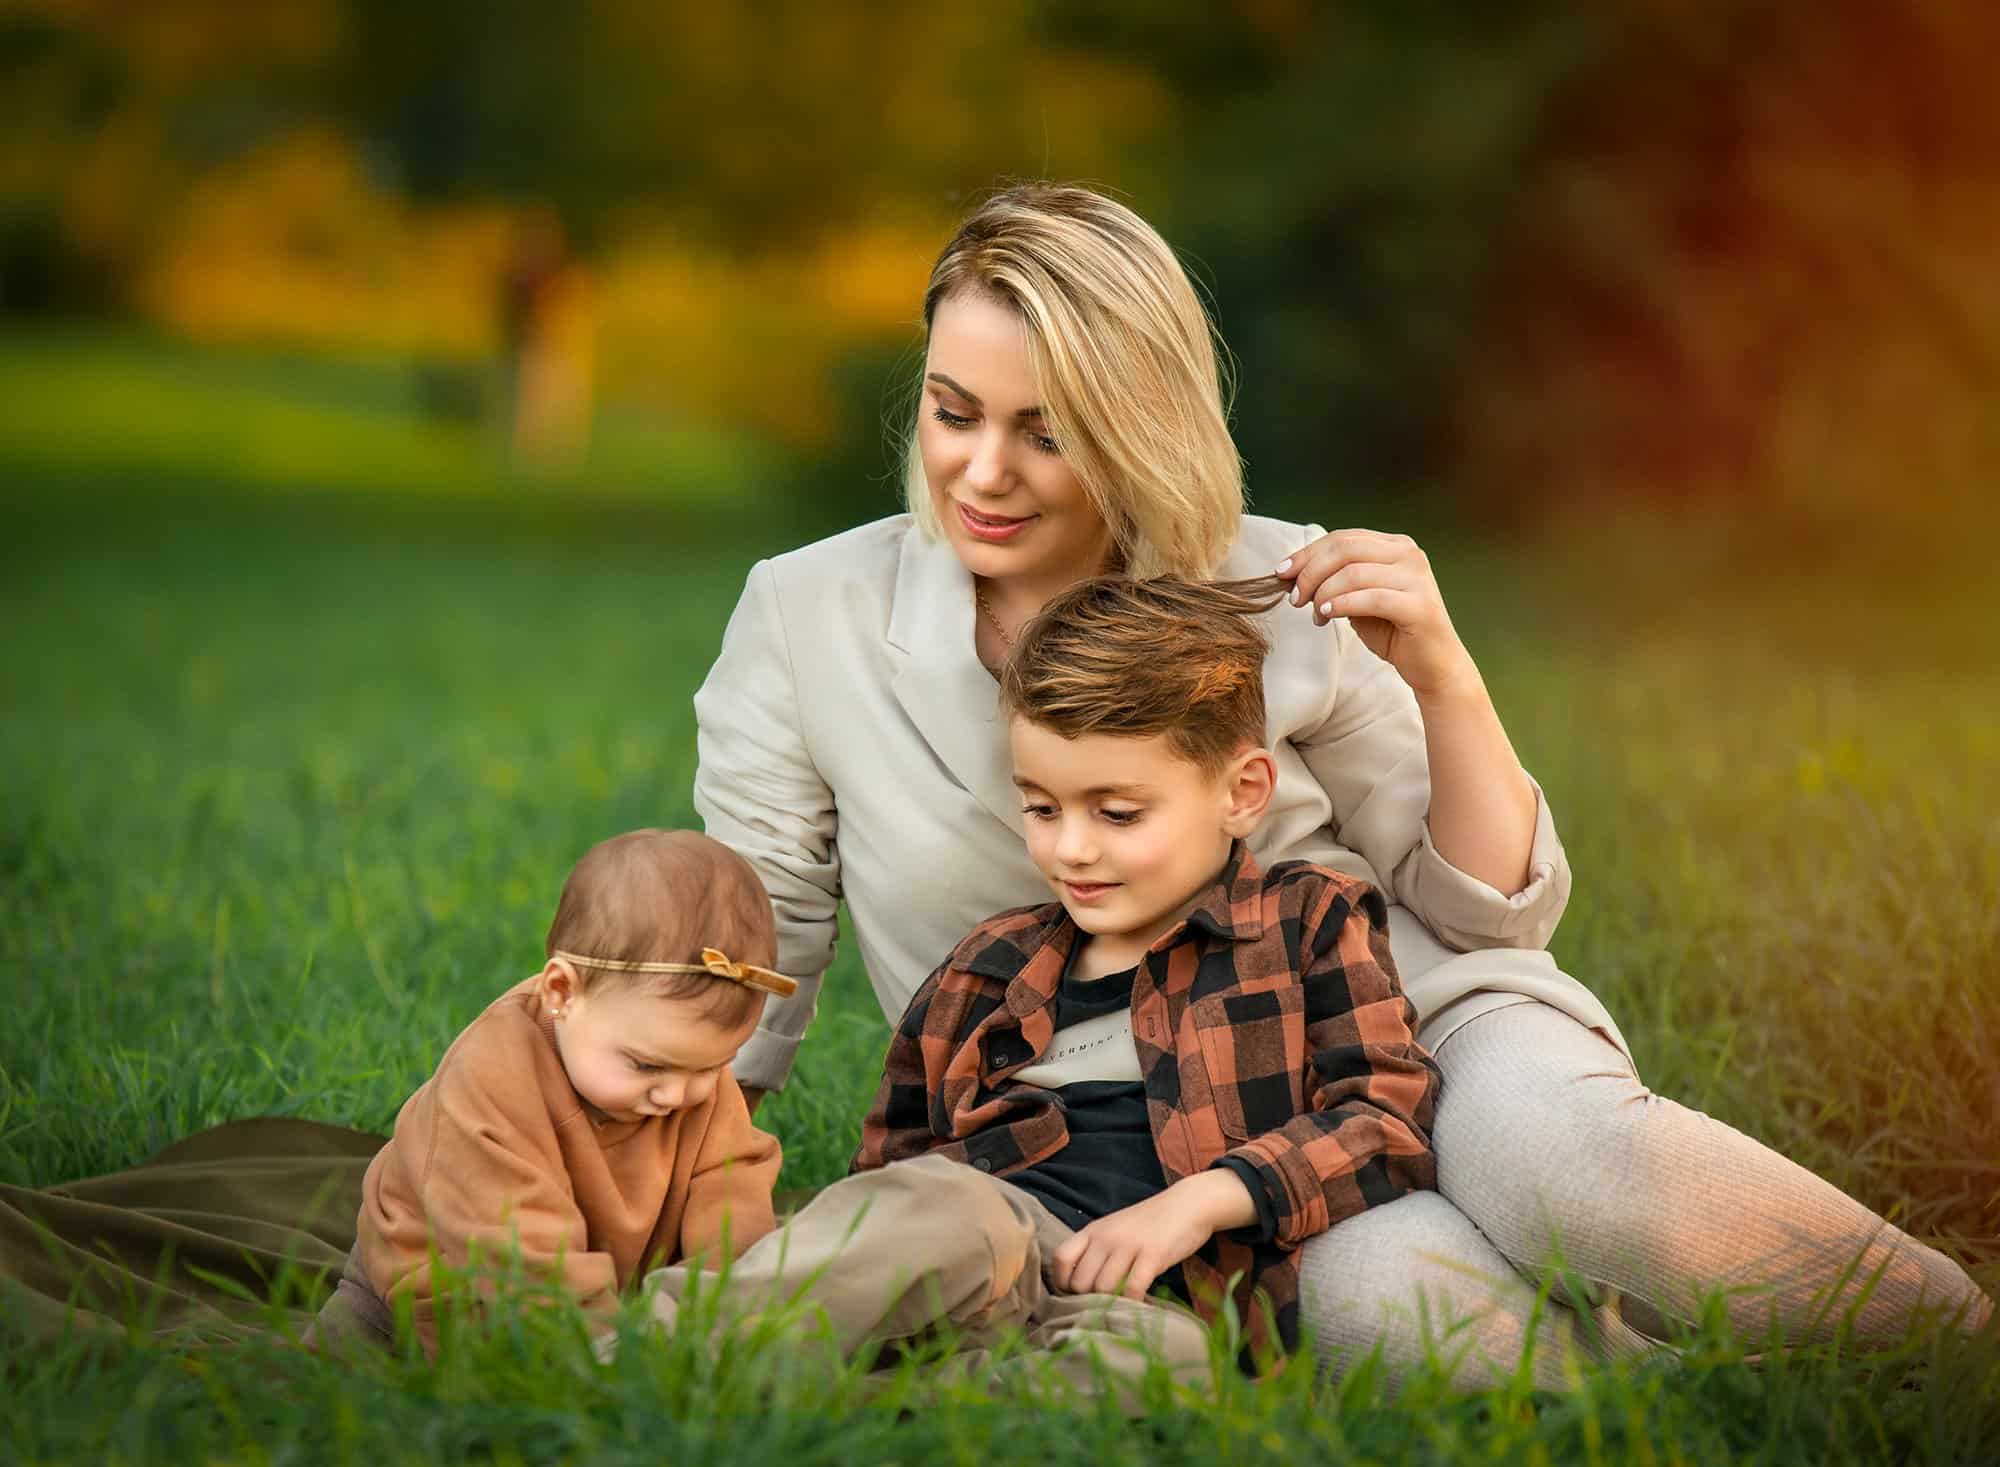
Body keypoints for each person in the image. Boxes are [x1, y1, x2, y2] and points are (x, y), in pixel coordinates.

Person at [692, 184, 1992, 1387]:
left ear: (1135, 417)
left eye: (1046, 429)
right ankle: (1683, 1368)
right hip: (1167, 1144)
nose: (981, 471)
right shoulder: (808, 616)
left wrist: (1443, 669)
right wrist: (666, 1187)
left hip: (1421, 1017)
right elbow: (757, 962)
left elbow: (1491, 911)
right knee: (1434, 1330)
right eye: (951, 410)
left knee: (1575, 1166)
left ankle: (1957, 1352)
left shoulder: (1286, 580)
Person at [640, 576, 1437, 1382]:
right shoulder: (989, 965)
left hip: (1131, 1294)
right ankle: (655, 1348)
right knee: (947, 1218)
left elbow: (1388, 1119)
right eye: (1042, 808)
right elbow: (891, 1169)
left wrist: (1202, 1200)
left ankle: (877, 1406)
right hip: (982, 1231)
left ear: (1242, 793)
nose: (1072, 850)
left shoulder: (1305, 924)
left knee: (1175, 1370)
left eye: (1116, 813)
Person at [306, 828, 785, 1357]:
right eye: (647, 1065)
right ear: (562, 992)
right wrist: (600, 1348)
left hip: (609, 1287)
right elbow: (519, 1248)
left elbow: (730, 1183)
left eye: (714, 1064)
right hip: (433, 1294)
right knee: (325, 1382)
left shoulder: (687, 1075)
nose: (677, 1094)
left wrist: (726, 1294)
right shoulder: (491, 1083)